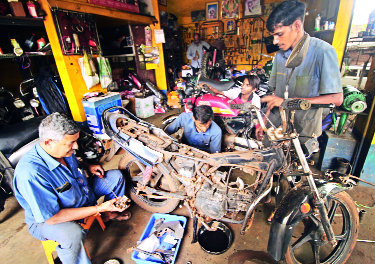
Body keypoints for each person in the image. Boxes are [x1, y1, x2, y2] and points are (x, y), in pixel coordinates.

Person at [13, 113, 130, 264]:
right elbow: (52, 217)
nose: (75, 147)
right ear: (49, 142)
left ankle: (107, 216)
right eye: (71, 143)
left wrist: (89, 166)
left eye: (76, 141)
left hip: (80, 195)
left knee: (116, 176)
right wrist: (99, 208)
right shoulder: (30, 174)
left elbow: (76, 163)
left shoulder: (62, 150)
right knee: (72, 234)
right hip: (49, 220)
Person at [255, 0, 343, 144]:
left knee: (295, 165)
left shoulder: (323, 52)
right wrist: (264, 121)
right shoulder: (279, 56)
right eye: (273, 35)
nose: (275, 41)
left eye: (280, 34)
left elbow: (336, 98)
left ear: (296, 25)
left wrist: (288, 102)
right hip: (276, 124)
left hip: (303, 129)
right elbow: (276, 95)